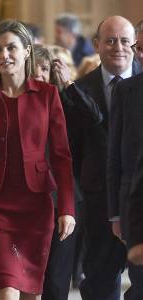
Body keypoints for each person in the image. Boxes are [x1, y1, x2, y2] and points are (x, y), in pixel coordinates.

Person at [0, 20, 75, 300]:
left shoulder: (47, 95)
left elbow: (61, 156)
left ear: (27, 51)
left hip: (36, 206)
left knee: (30, 295)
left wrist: (67, 208)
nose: (4, 55)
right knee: (6, 292)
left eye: (11, 48)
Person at [75, 16, 140, 300]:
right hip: (98, 202)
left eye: (125, 41)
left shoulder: (139, 84)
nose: (118, 47)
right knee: (100, 281)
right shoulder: (78, 89)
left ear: (135, 45)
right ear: (96, 45)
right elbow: (72, 150)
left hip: (139, 203)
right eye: (111, 40)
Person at [34, 45, 102, 300]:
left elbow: (94, 118)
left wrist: (69, 84)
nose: (39, 74)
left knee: (56, 279)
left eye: (45, 69)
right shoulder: (15, 102)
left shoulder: (64, 101)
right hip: (28, 199)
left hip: (63, 199)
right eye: (34, 69)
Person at [107, 22, 143, 299]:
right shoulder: (127, 90)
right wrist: (117, 213)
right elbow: (115, 155)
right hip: (135, 205)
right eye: (138, 48)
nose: (140, 55)